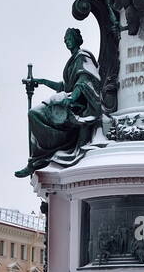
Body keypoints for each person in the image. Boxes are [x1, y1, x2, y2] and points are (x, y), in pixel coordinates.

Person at [15, 29, 103, 177]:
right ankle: (37, 159)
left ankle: (38, 159)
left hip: (77, 105)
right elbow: (63, 86)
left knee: (35, 114)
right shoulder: (73, 59)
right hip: (67, 98)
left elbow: (84, 80)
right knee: (33, 114)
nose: (67, 41)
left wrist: (71, 99)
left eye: (69, 38)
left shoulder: (82, 57)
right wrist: (42, 81)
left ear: (77, 39)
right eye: (65, 39)